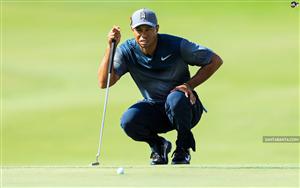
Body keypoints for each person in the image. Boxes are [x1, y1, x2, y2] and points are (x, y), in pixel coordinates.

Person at [98, 8, 223, 165]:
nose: (143, 34)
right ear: (132, 30)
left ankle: (183, 148)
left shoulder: (177, 45)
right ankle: (159, 146)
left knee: (175, 99)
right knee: (128, 121)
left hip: (185, 107)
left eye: (148, 29)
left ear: (157, 29)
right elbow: (104, 82)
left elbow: (215, 60)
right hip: (155, 108)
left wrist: (188, 85)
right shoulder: (126, 51)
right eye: (139, 29)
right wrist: (110, 47)